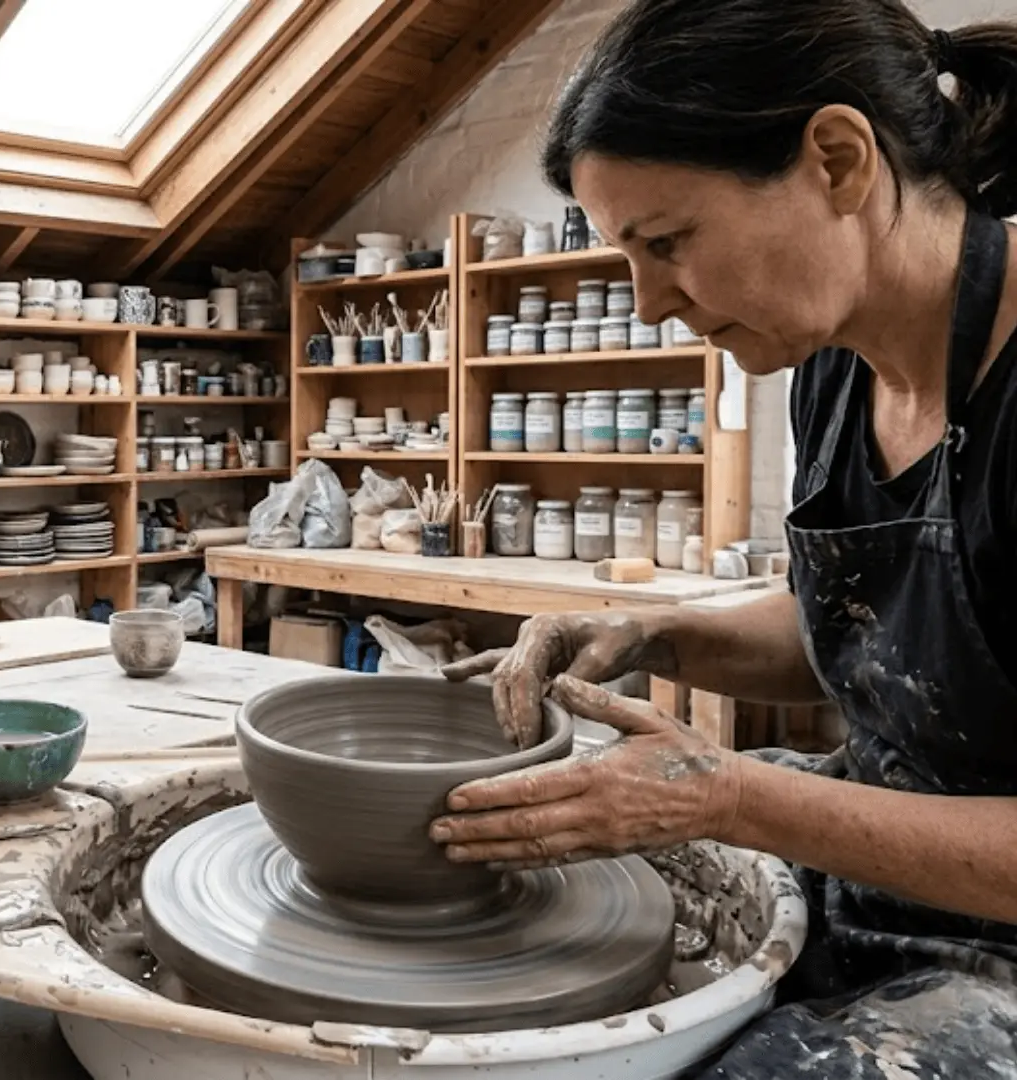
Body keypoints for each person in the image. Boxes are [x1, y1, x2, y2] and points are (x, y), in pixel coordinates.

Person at [432, 0, 1017, 1074]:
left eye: (668, 243)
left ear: (838, 160)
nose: (651, 302)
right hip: (875, 852)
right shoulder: (836, 364)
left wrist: (736, 793)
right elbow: (858, 628)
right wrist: (653, 634)